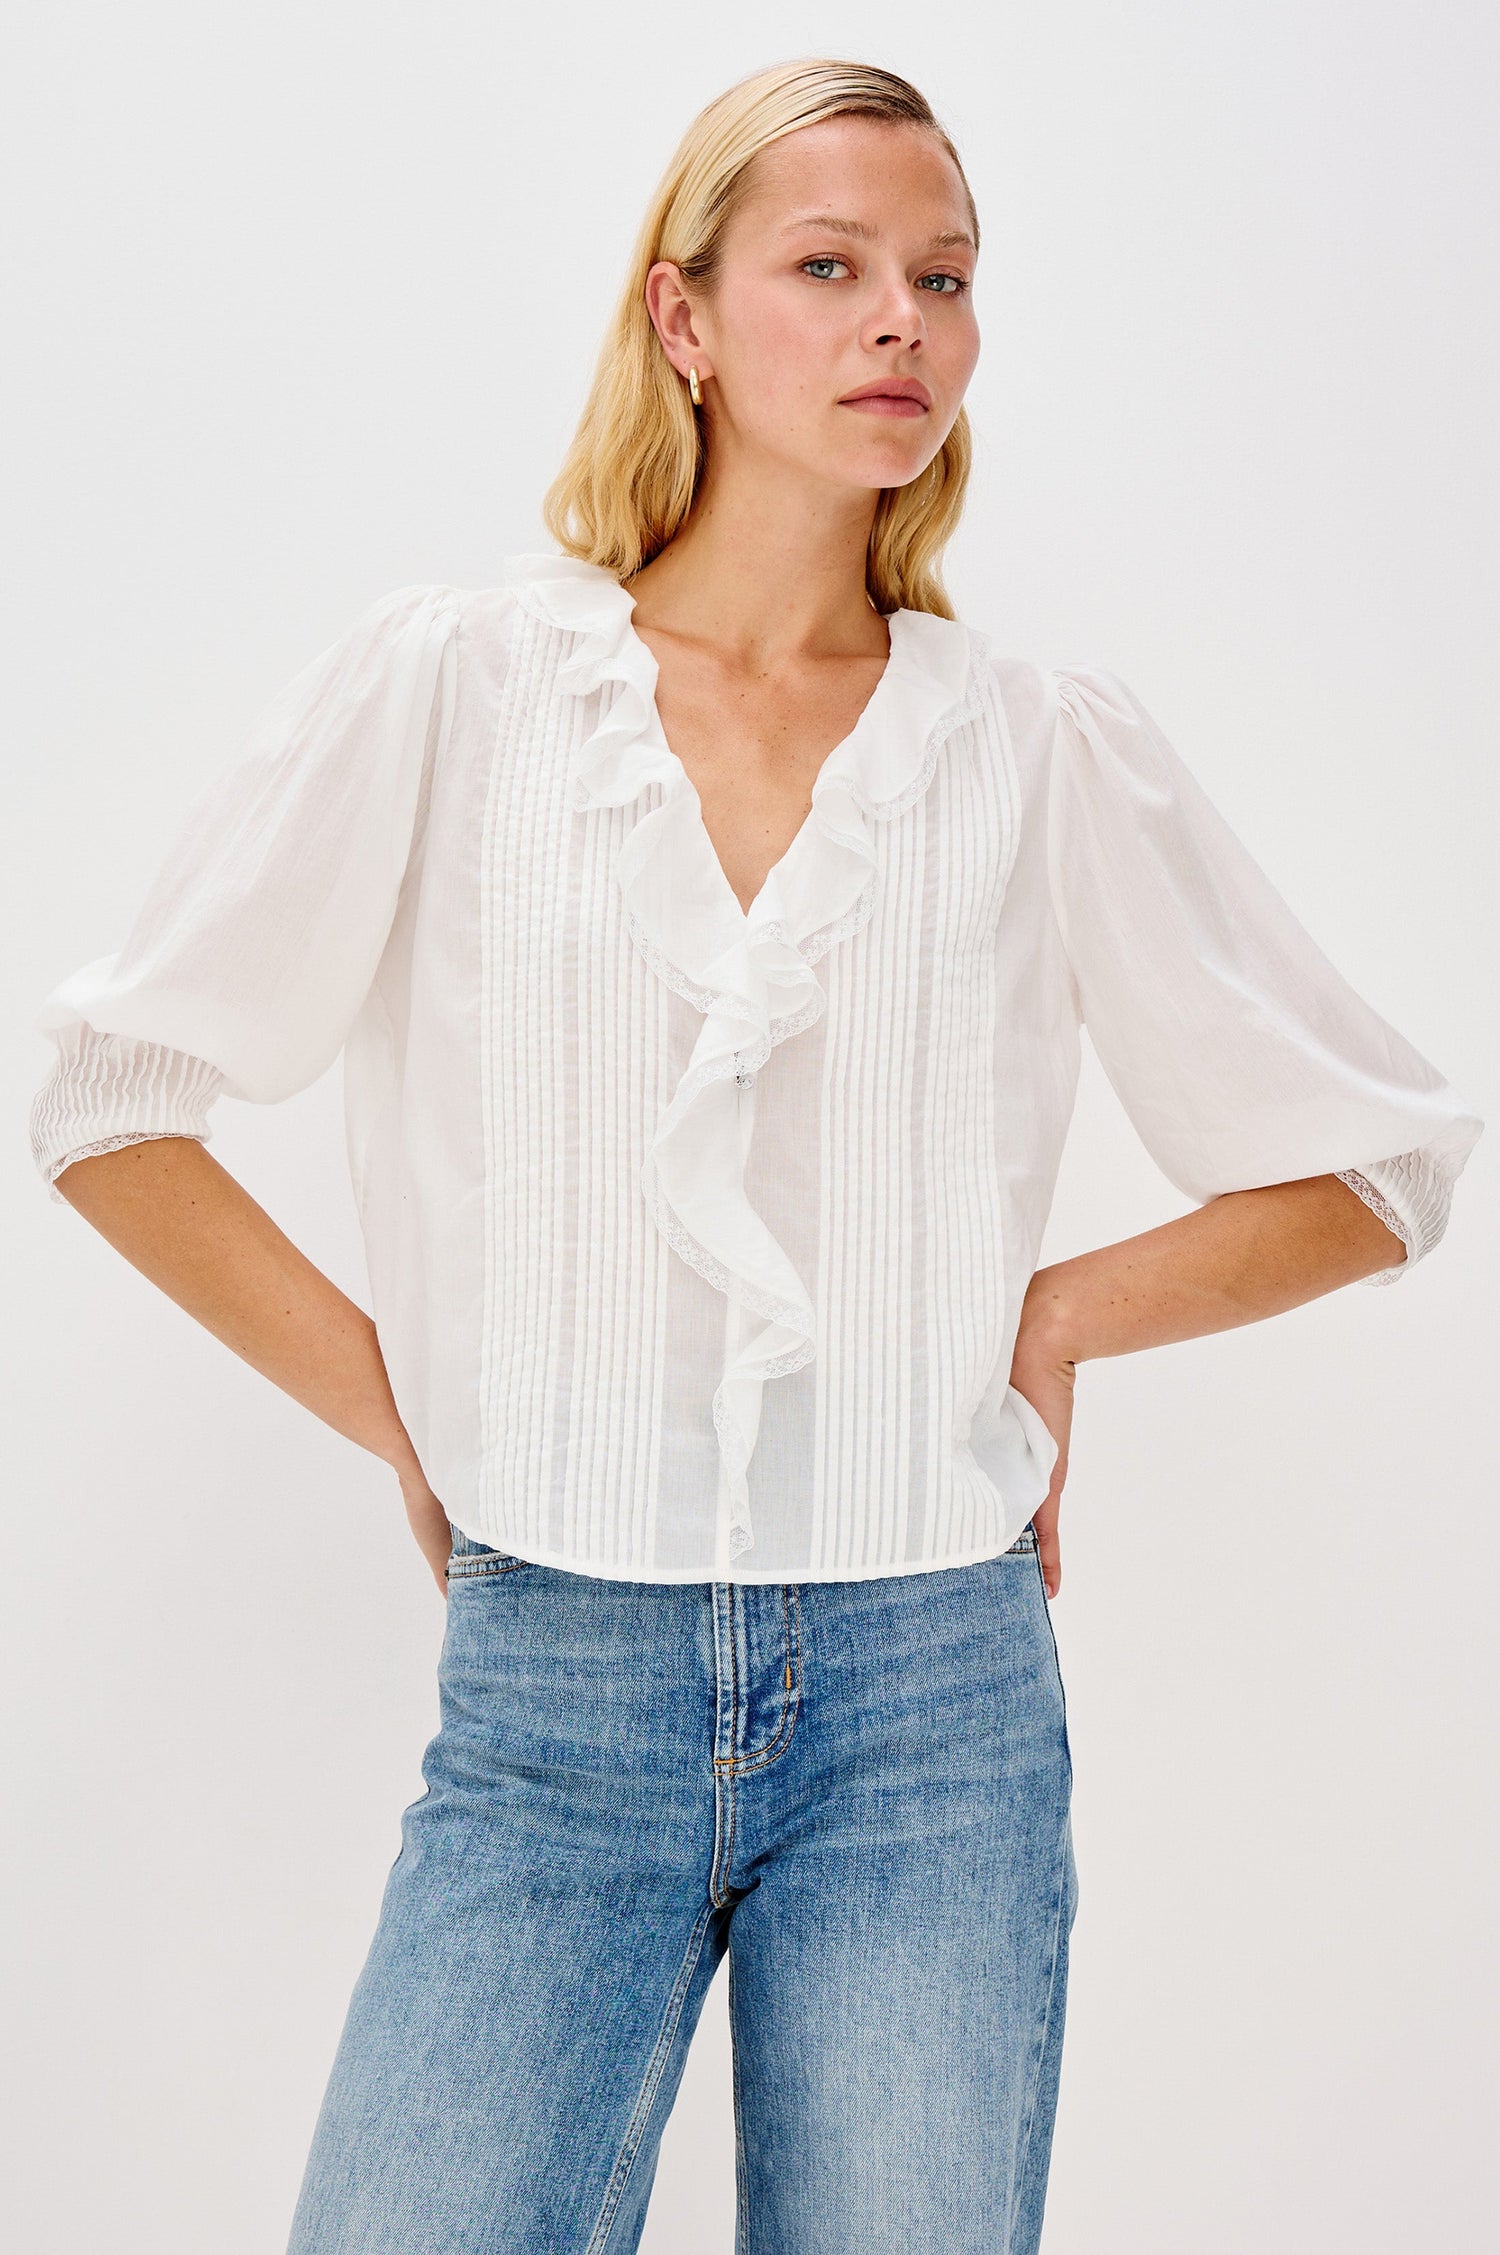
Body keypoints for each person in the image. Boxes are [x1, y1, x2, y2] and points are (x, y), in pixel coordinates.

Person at [26, 55, 1483, 2255]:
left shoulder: (1031, 745)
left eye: (948, 277)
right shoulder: (462, 693)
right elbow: (114, 1104)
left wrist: (1060, 1316)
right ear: (682, 319)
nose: (906, 319)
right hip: (550, 1690)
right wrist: (400, 1403)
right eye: (833, 266)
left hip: (940, 1707)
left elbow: (1382, 1165)